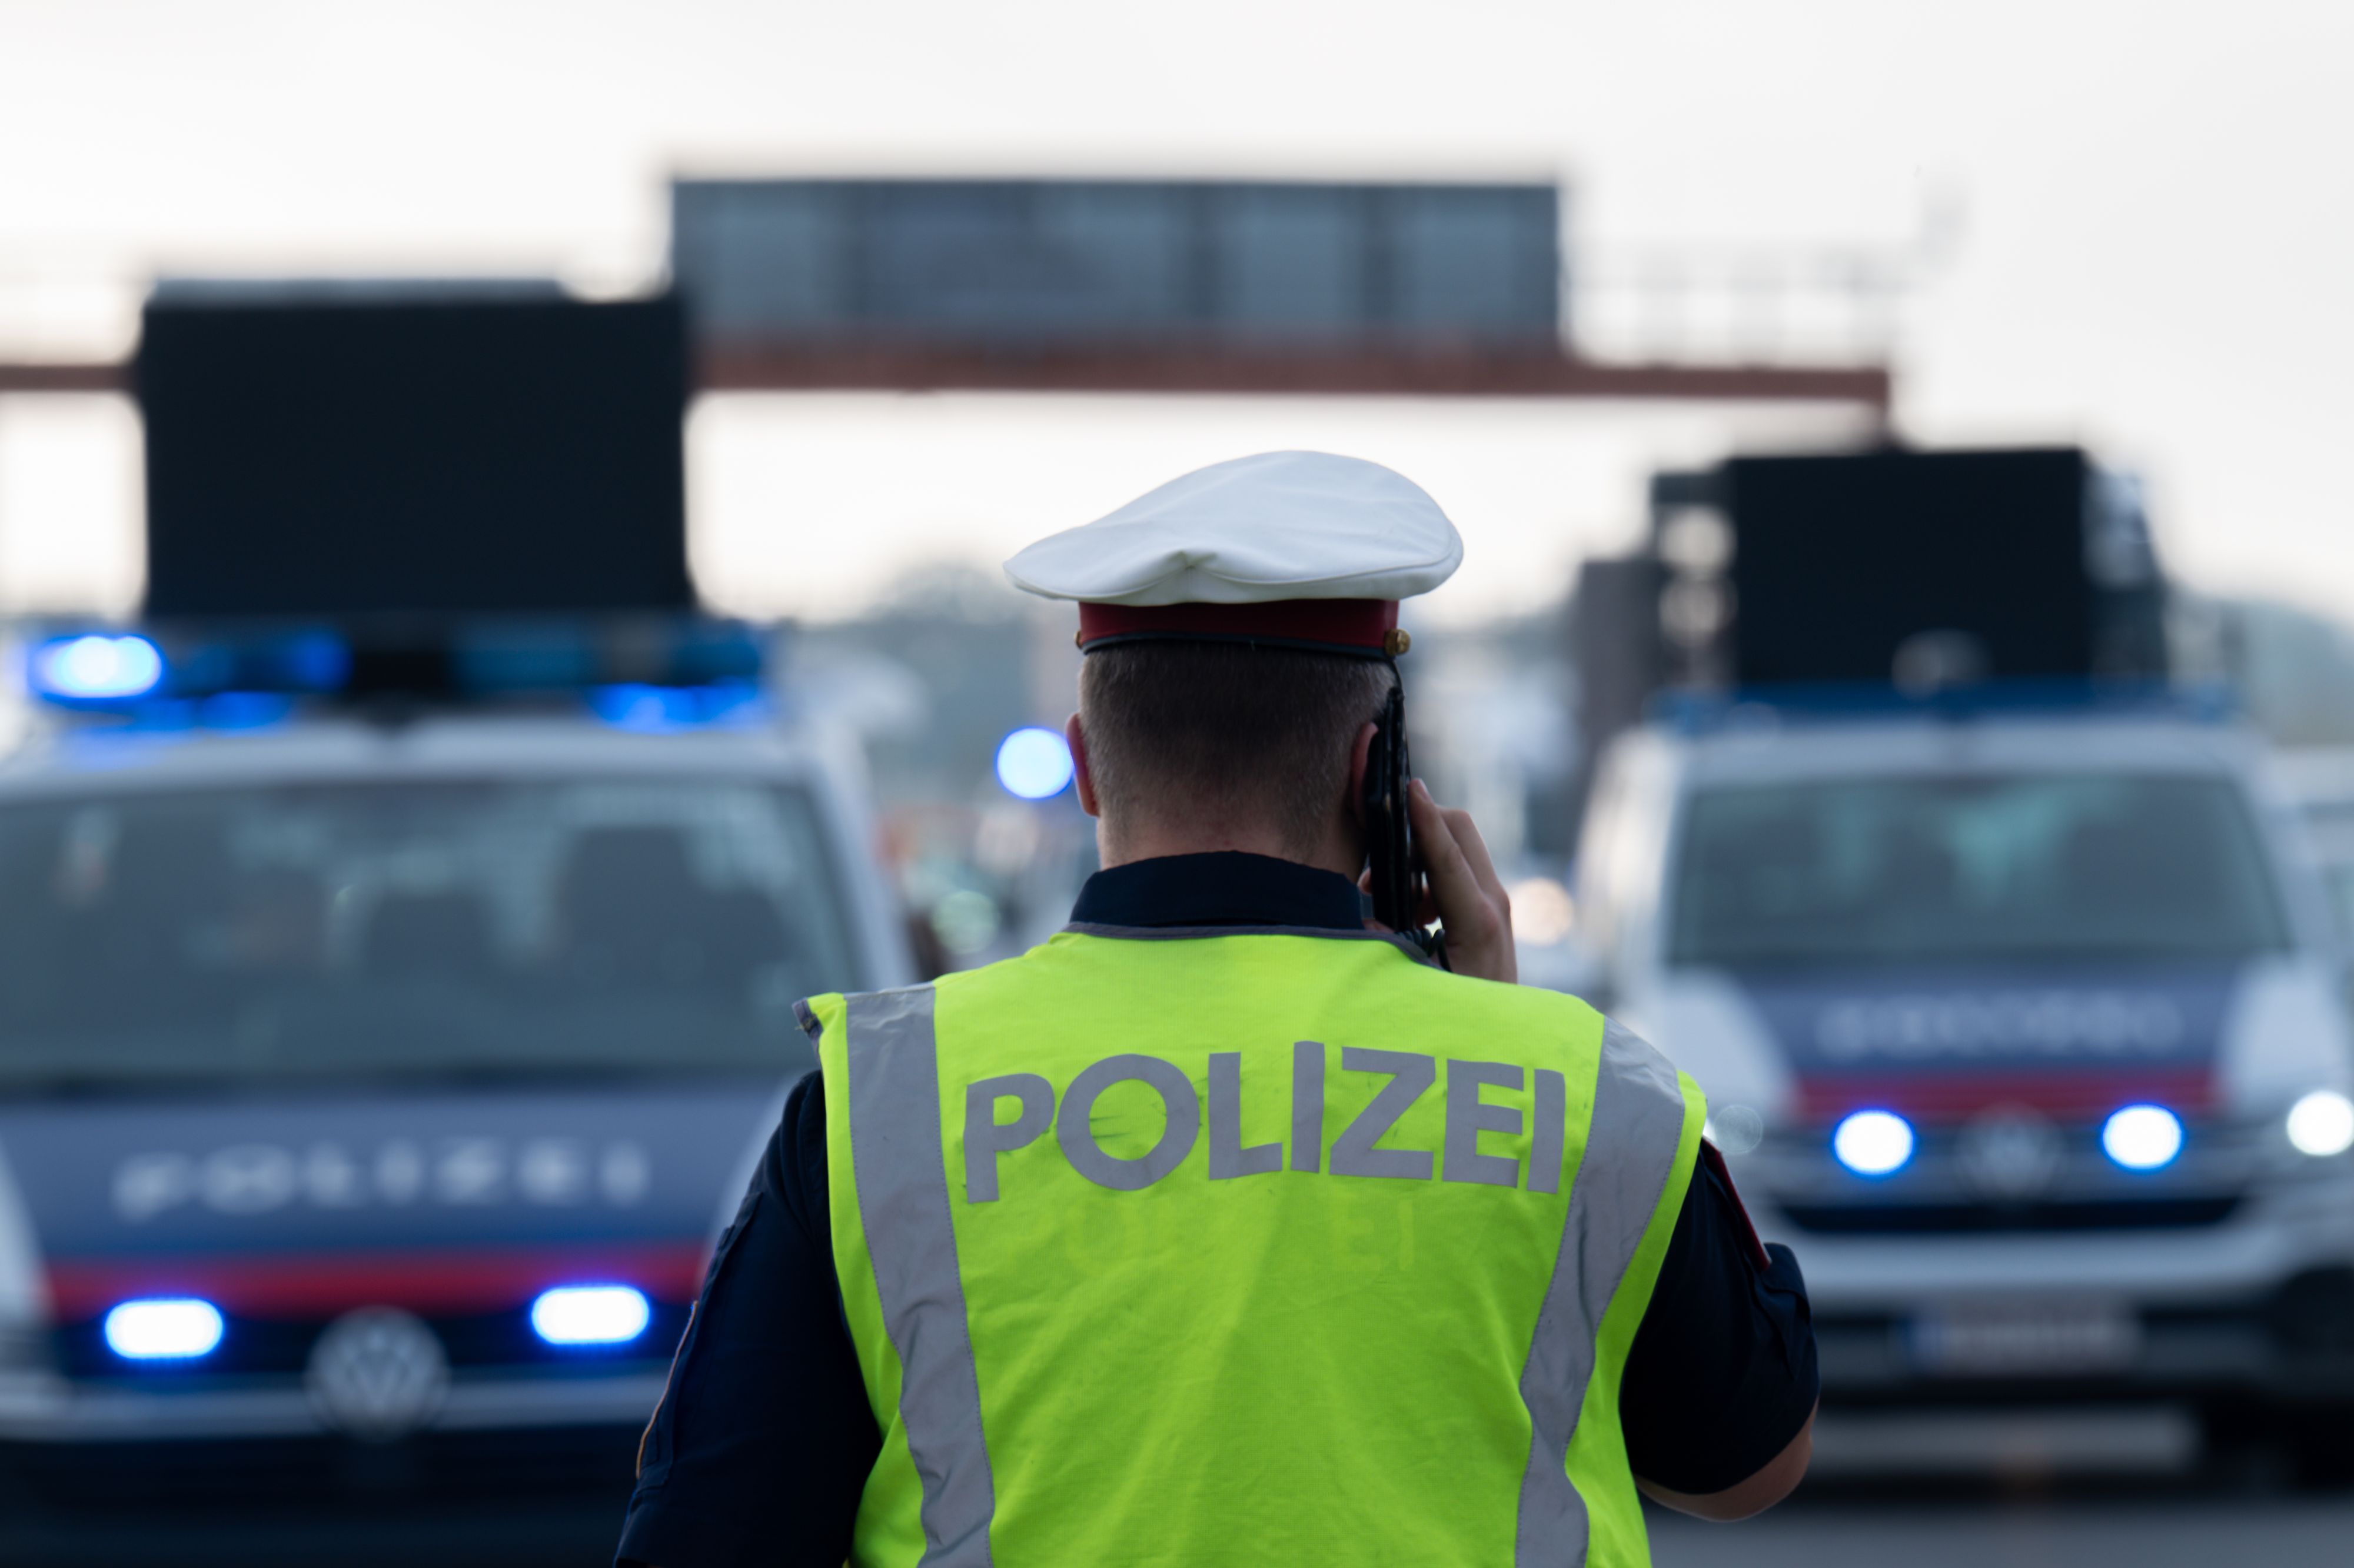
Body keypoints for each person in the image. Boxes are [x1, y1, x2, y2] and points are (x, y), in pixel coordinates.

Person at [616, 451, 1817, 1568]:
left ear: (1086, 764)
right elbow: (1745, 1464)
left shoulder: (881, 1101)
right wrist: (1491, 1020)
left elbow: (709, 1531)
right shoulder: (1578, 1084)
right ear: (1372, 774)